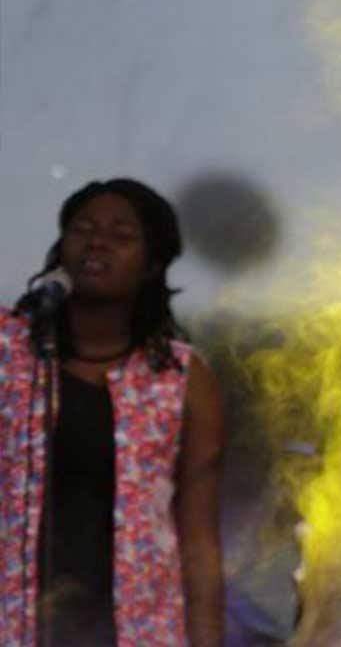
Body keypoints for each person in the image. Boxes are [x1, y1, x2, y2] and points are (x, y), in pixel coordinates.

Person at [0, 178, 226, 646]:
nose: (97, 240)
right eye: (82, 228)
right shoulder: (9, 350)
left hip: (135, 631)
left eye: (121, 235)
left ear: (152, 265)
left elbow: (199, 542)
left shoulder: (181, 380)